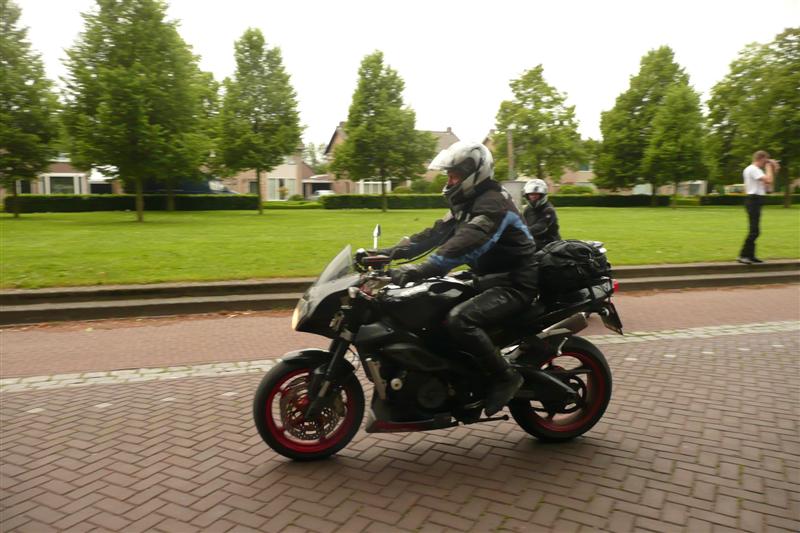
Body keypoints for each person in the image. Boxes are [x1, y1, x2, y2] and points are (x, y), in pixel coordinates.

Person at [377, 141, 538, 417]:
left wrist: (419, 269)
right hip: (486, 278)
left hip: (515, 283)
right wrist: (385, 254)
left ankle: (506, 377)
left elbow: (466, 244)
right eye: (448, 176)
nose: (449, 182)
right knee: (431, 300)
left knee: (460, 320)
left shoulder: (493, 204)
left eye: (454, 176)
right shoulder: (466, 204)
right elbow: (433, 235)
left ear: (473, 175)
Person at [738, 150, 778, 264]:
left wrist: (774, 170)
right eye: (766, 160)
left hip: (756, 200)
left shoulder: (757, 171)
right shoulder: (753, 169)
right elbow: (768, 179)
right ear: (761, 158)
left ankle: (750, 256)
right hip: (753, 200)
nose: (766, 163)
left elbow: (769, 188)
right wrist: (769, 167)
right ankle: (743, 255)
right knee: (754, 231)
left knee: (755, 230)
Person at [521, 179, 561, 249]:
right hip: (533, 241)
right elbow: (522, 223)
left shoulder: (548, 210)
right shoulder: (528, 209)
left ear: (542, 195)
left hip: (549, 244)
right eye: (531, 194)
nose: (533, 196)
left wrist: (522, 232)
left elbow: (541, 227)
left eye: (536, 194)